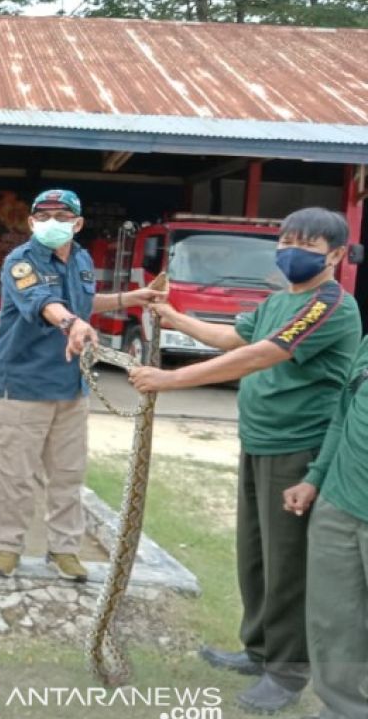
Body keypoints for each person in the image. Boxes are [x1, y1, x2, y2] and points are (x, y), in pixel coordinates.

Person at [130, 207, 360, 714]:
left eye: (307, 245)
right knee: (254, 555)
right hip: (259, 438)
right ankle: (258, 650)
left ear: (337, 255)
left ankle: (287, 669)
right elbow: (233, 339)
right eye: (286, 240)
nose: (291, 251)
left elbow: (263, 354)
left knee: (288, 565)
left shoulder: (331, 307)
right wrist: (172, 316)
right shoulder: (279, 300)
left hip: (300, 445)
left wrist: (171, 380)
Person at [0, 189, 164, 583]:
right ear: (31, 223)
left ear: (78, 223)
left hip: (71, 386)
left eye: (62, 215)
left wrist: (130, 297)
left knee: (68, 473)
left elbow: (81, 303)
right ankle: (7, 546)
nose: (52, 221)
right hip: (24, 383)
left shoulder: (81, 259)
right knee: (17, 474)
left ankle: (64, 549)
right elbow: (47, 303)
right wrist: (71, 324)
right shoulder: (21, 261)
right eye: (43, 215)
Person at [282, 334, 368, 719]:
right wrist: (315, 477)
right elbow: (345, 410)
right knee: (333, 622)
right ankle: (342, 709)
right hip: (339, 501)